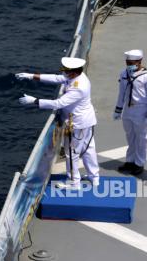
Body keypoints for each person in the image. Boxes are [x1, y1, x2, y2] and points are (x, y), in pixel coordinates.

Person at [15, 57, 99, 189]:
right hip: (86, 121)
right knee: (88, 149)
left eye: (66, 71)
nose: (63, 73)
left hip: (77, 123)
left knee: (71, 153)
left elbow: (58, 103)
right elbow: (56, 78)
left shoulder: (78, 87)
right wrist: (31, 76)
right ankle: (94, 177)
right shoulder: (77, 77)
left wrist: (35, 101)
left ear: (73, 72)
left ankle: (74, 182)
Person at [113, 49, 147, 175]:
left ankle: (139, 163)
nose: (128, 65)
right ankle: (130, 160)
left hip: (141, 110)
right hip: (127, 109)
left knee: (141, 138)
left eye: (131, 63)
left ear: (139, 62)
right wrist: (118, 109)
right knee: (130, 136)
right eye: (127, 62)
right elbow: (121, 93)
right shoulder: (124, 73)